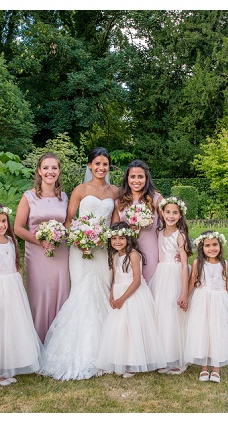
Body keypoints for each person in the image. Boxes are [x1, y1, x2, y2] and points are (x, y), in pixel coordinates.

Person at [39, 147, 119, 380]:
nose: (101, 168)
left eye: (105, 164)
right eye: (97, 164)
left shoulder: (114, 191)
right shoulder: (80, 190)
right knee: (82, 294)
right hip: (81, 249)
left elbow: (114, 225)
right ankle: (77, 353)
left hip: (103, 250)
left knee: (103, 292)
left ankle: (108, 350)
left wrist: (106, 241)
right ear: (89, 166)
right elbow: (69, 221)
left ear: (108, 167)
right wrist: (80, 239)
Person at [0, 203, 43, 386]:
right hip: (0, 286)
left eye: (3, 221)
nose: (1, 225)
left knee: (14, 324)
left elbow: (17, 263)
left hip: (14, 285)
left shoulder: (11, 240)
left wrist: (20, 285)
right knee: (0, 326)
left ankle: (11, 363)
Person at [96, 222, 167, 378]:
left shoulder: (134, 255)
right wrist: (112, 294)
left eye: (121, 238)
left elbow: (137, 281)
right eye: (114, 238)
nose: (117, 241)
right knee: (121, 328)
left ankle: (135, 362)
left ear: (128, 238)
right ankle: (123, 359)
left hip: (133, 295)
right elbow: (115, 278)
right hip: (119, 293)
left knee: (133, 327)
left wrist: (122, 299)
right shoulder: (115, 256)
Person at [14, 152, 70, 343]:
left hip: (60, 253)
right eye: (46, 167)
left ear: (59, 171)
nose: (50, 171)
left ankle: (58, 343)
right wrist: (40, 241)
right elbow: (18, 228)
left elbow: (68, 224)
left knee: (61, 294)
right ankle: (36, 343)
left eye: (54, 167)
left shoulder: (64, 197)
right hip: (37, 254)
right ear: (39, 170)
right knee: (38, 297)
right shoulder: (29, 196)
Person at [183, 231, 228, 383]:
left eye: (215, 244)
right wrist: (186, 298)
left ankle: (216, 368)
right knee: (203, 331)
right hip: (202, 300)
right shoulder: (197, 263)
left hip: (220, 301)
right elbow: (192, 282)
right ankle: (204, 368)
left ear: (220, 245)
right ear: (202, 248)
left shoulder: (225, 265)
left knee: (218, 331)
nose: (211, 248)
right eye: (207, 245)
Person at [150, 196, 193, 375]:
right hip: (161, 275)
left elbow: (184, 264)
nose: (171, 215)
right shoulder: (159, 232)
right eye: (168, 212)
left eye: (175, 213)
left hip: (175, 275)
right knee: (161, 313)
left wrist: (184, 292)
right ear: (161, 213)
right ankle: (162, 355)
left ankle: (175, 357)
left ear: (180, 215)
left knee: (173, 314)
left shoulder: (180, 235)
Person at [112, 159, 163, 283]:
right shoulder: (119, 201)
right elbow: (114, 229)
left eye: (140, 177)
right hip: (127, 249)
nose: (136, 180)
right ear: (127, 179)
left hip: (151, 247)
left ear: (146, 178)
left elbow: (168, 226)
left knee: (151, 280)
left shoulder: (156, 199)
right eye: (132, 177)